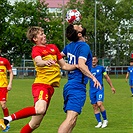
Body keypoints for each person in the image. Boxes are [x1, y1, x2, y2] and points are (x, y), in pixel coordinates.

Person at [0, 26, 78, 133]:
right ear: (35, 39)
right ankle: (6, 119)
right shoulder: (36, 49)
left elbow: (64, 66)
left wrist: (79, 65)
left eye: (44, 33)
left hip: (50, 88)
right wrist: (45, 62)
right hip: (41, 85)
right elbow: (38, 61)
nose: (44, 35)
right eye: (41, 34)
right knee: (40, 109)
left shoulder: (53, 48)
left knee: (35, 124)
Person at [58, 24, 101, 133]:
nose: (80, 24)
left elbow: (57, 56)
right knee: (70, 119)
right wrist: (93, 78)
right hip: (77, 86)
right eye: (78, 26)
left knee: (73, 120)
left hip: (69, 86)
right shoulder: (83, 46)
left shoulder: (69, 46)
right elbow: (81, 65)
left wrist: (63, 65)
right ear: (79, 33)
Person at [89, 56, 115, 128]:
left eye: (94, 60)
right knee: (94, 106)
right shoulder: (88, 69)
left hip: (99, 89)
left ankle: (105, 120)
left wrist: (112, 86)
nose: (93, 61)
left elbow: (106, 77)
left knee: (99, 104)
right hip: (92, 90)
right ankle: (99, 122)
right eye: (92, 60)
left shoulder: (101, 68)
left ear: (97, 60)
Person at [0, 51, 13, 132]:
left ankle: (7, 123)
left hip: (3, 87)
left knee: (3, 105)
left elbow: (11, 72)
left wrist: (10, 84)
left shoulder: (4, 61)